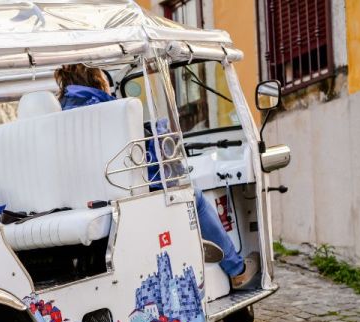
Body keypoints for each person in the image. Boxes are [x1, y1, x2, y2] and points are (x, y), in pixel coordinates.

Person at [54, 64, 259, 290]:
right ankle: (236, 269)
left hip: (85, 198)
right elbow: (138, 156)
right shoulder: (108, 108)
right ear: (95, 81)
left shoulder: (60, 115)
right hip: (125, 193)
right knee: (195, 198)